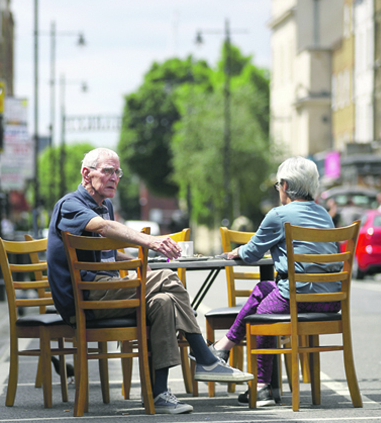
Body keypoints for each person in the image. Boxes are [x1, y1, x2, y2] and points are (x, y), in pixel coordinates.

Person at [46, 148, 253, 415]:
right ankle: (204, 356)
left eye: (117, 172)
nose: (114, 178)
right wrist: (150, 241)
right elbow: (103, 228)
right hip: (83, 299)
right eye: (107, 171)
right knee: (167, 277)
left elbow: (107, 253)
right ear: (86, 173)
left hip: (106, 291)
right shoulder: (70, 204)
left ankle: (159, 394)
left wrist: (140, 261)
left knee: (163, 301)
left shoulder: (105, 205)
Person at [211, 156, 343, 407]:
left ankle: (261, 386)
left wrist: (238, 250)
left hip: (298, 298)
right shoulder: (325, 215)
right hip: (330, 301)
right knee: (263, 289)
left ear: (284, 185)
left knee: (260, 316)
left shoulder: (279, 215)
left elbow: (250, 254)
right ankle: (223, 347)